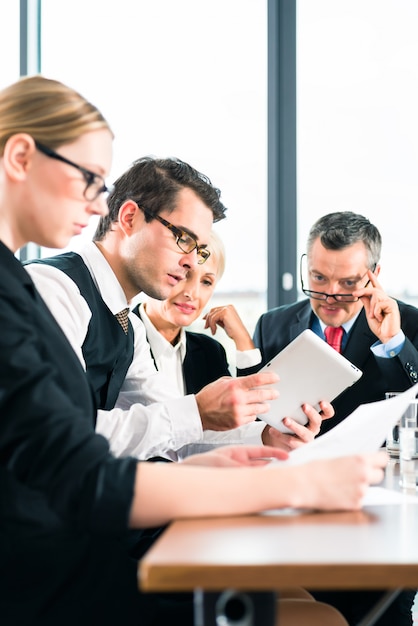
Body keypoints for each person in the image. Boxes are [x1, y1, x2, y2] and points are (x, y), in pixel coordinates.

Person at [0, 74, 388, 626]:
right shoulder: (50, 290)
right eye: (184, 240)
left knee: (319, 610)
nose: (97, 201)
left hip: (78, 548)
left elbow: (98, 443)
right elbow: (76, 461)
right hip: (57, 570)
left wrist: (244, 446)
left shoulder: (115, 316)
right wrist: (284, 480)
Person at [26, 156, 332, 461]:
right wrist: (197, 411)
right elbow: (54, 433)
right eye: (183, 238)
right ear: (129, 217)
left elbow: (174, 435)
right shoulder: (54, 289)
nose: (190, 262)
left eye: (197, 249)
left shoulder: (127, 327)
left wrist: (267, 437)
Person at [250, 211, 418, 626]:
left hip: (379, 509)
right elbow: (254, 415)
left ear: (373, 275)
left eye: (348, 283)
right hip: (295, 504)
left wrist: (393, 342)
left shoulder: (408, 324)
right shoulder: (273, 325)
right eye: (319, 278)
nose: (329, 295)